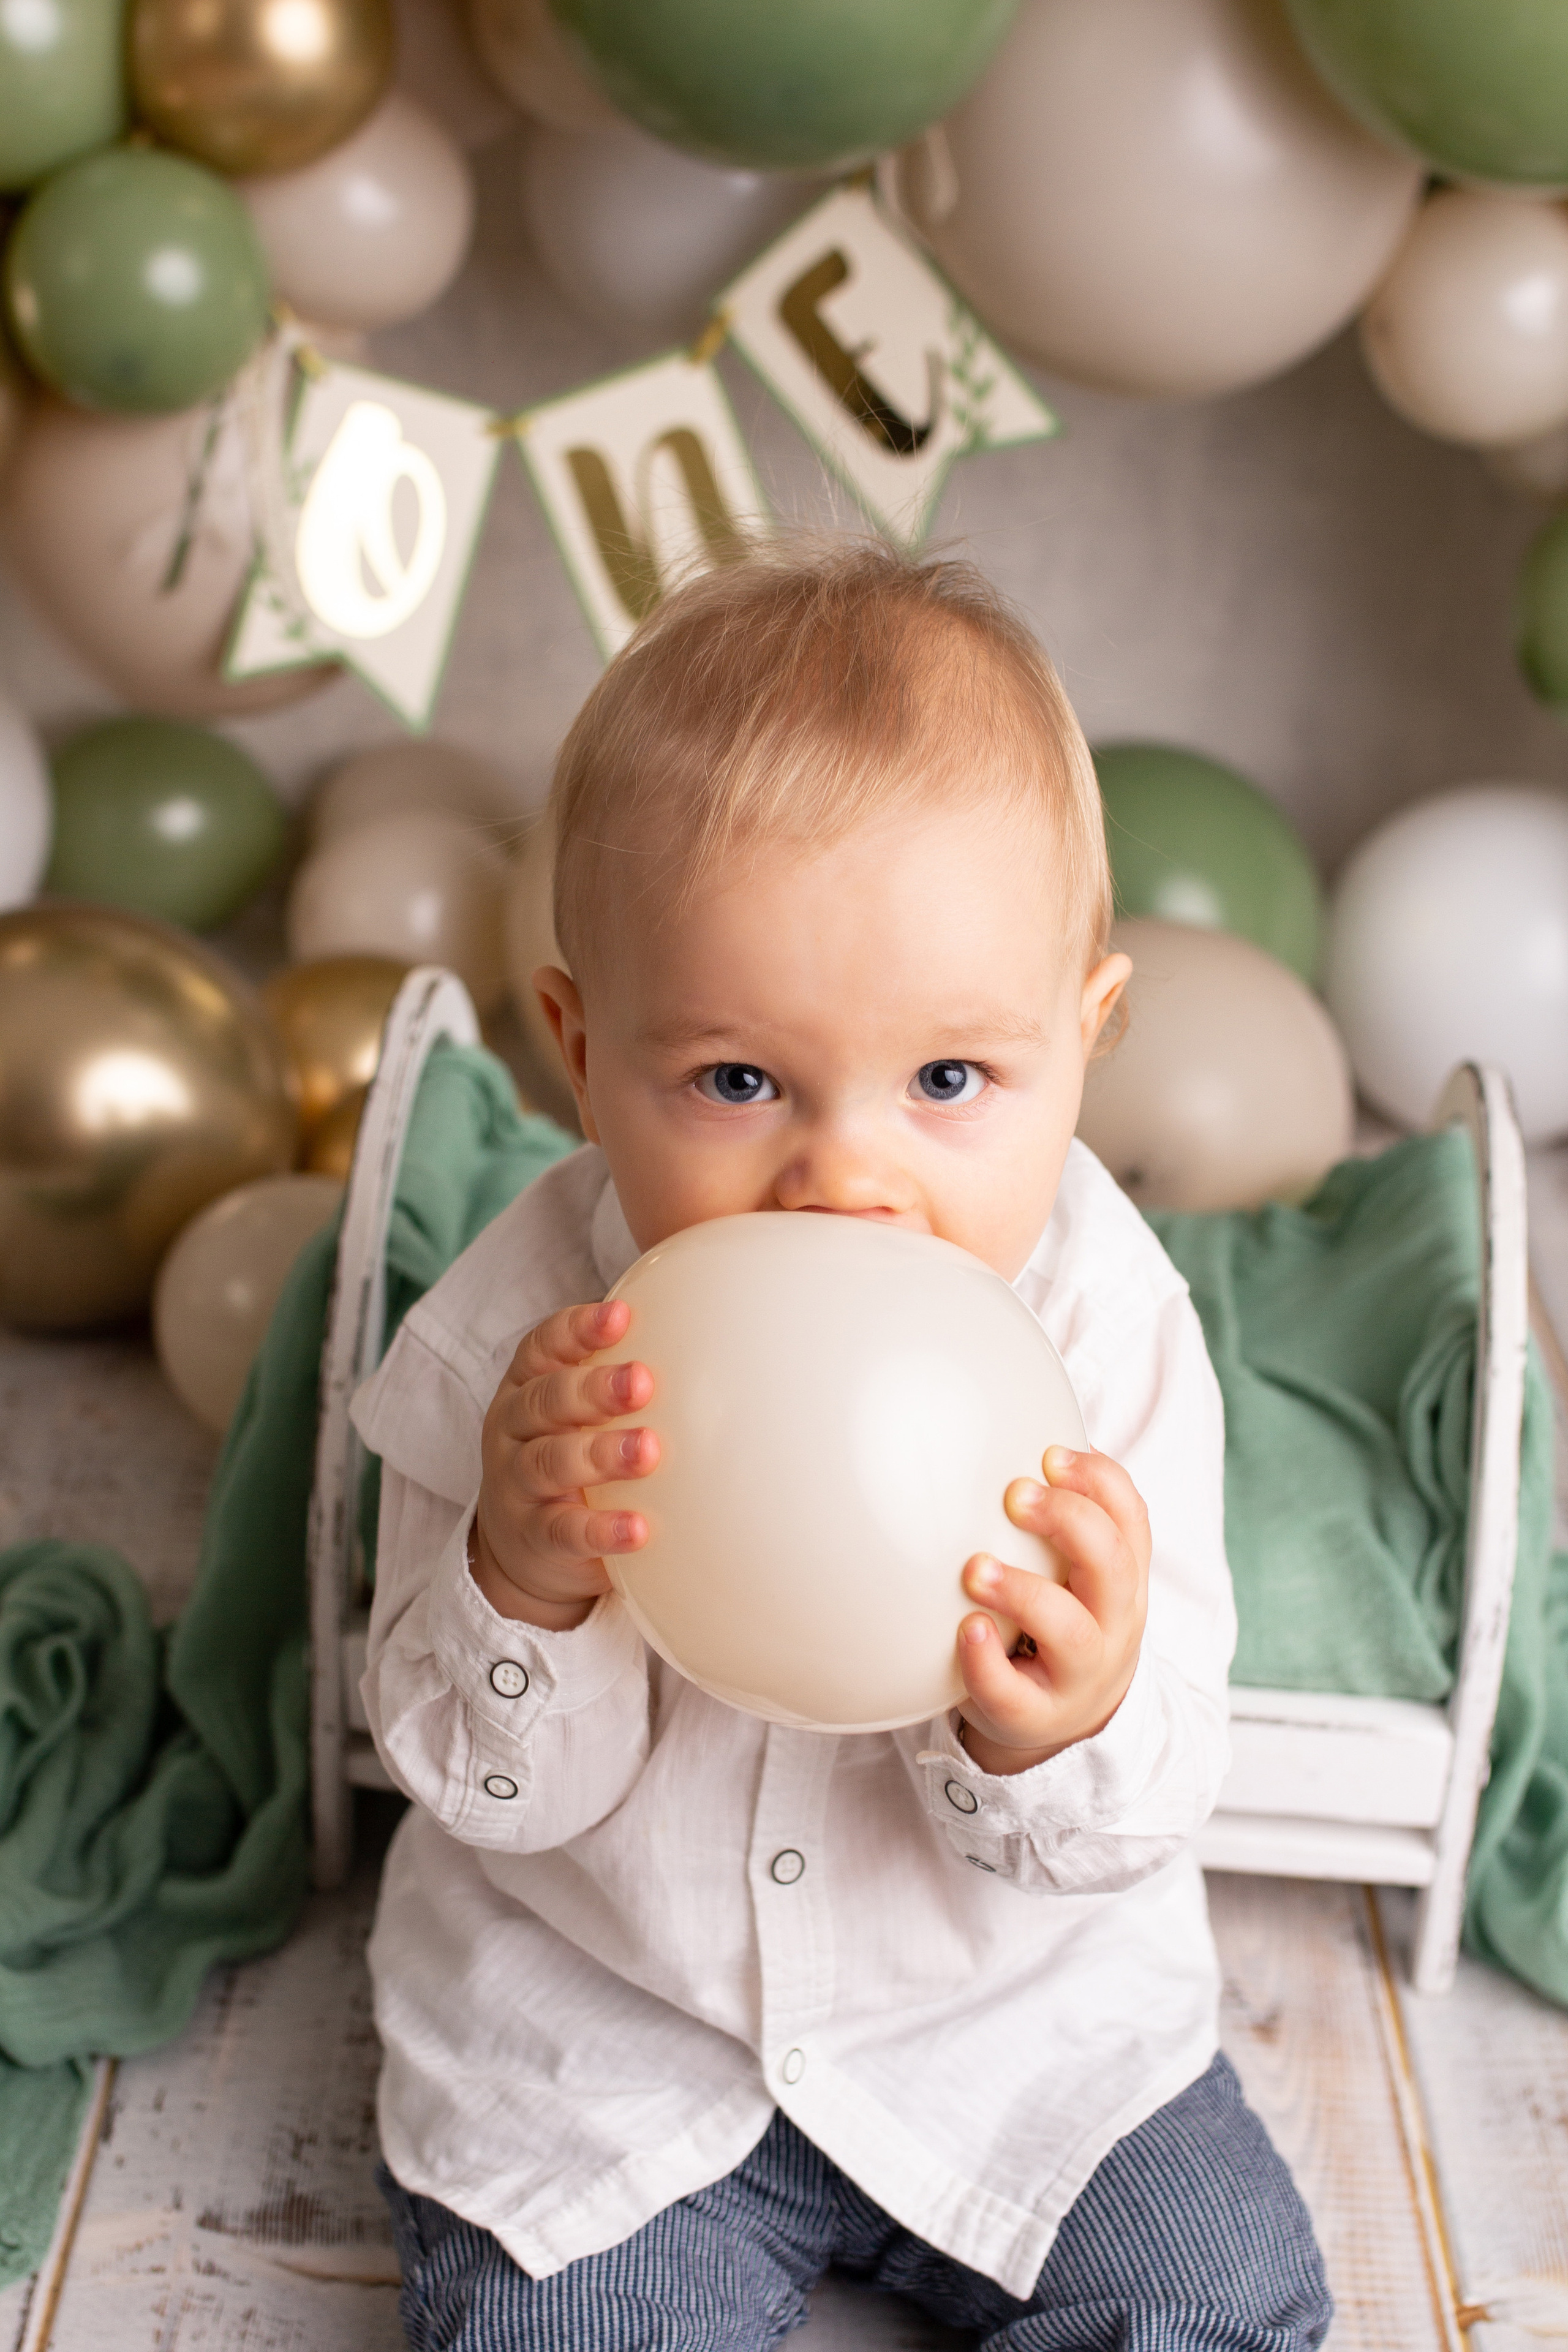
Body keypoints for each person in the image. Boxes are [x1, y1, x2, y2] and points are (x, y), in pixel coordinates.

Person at [352, 540, 1332, 2351]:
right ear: (581, 1046)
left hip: (1016, 2042)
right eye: (736, 1082)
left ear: (1083, 1041)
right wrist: (526, 1574)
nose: (844, 1181)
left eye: (950, 1083)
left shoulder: (1104, 1334)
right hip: (608, 2044)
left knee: (1221, 2299)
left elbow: (1141, 1799)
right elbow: (474, 1782)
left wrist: (1070, 1718)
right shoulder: (532, 1345)